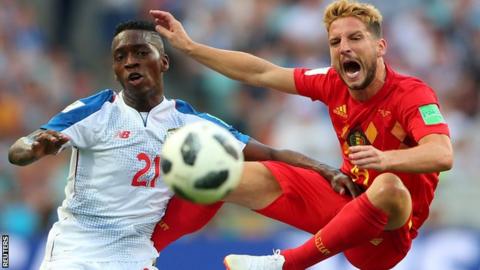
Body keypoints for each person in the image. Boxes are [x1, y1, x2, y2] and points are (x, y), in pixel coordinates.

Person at [7, 20, 356, 270]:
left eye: (140, 52)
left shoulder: (192, 124)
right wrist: (34, 147)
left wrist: (326, 170)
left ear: (164, 62)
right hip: (75, 251)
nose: (130, 61)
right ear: (114, 69)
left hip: (136, 256)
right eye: (120, 56)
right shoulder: (96, 111)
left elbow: (272, 154)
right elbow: (21, 148)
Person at [149, 0, 453, 269]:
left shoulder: (412, 95)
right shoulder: (332, 81)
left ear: (380, 47)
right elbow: (261, 73)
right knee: (224, 172)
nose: (343, 46)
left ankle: (285, 264)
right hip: (345, 200)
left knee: (389, 186)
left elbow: (442, 154)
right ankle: (142, 253)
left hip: (387, 235)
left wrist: (385, 159)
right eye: (335, 41)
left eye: (355, 38)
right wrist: (190, 47)